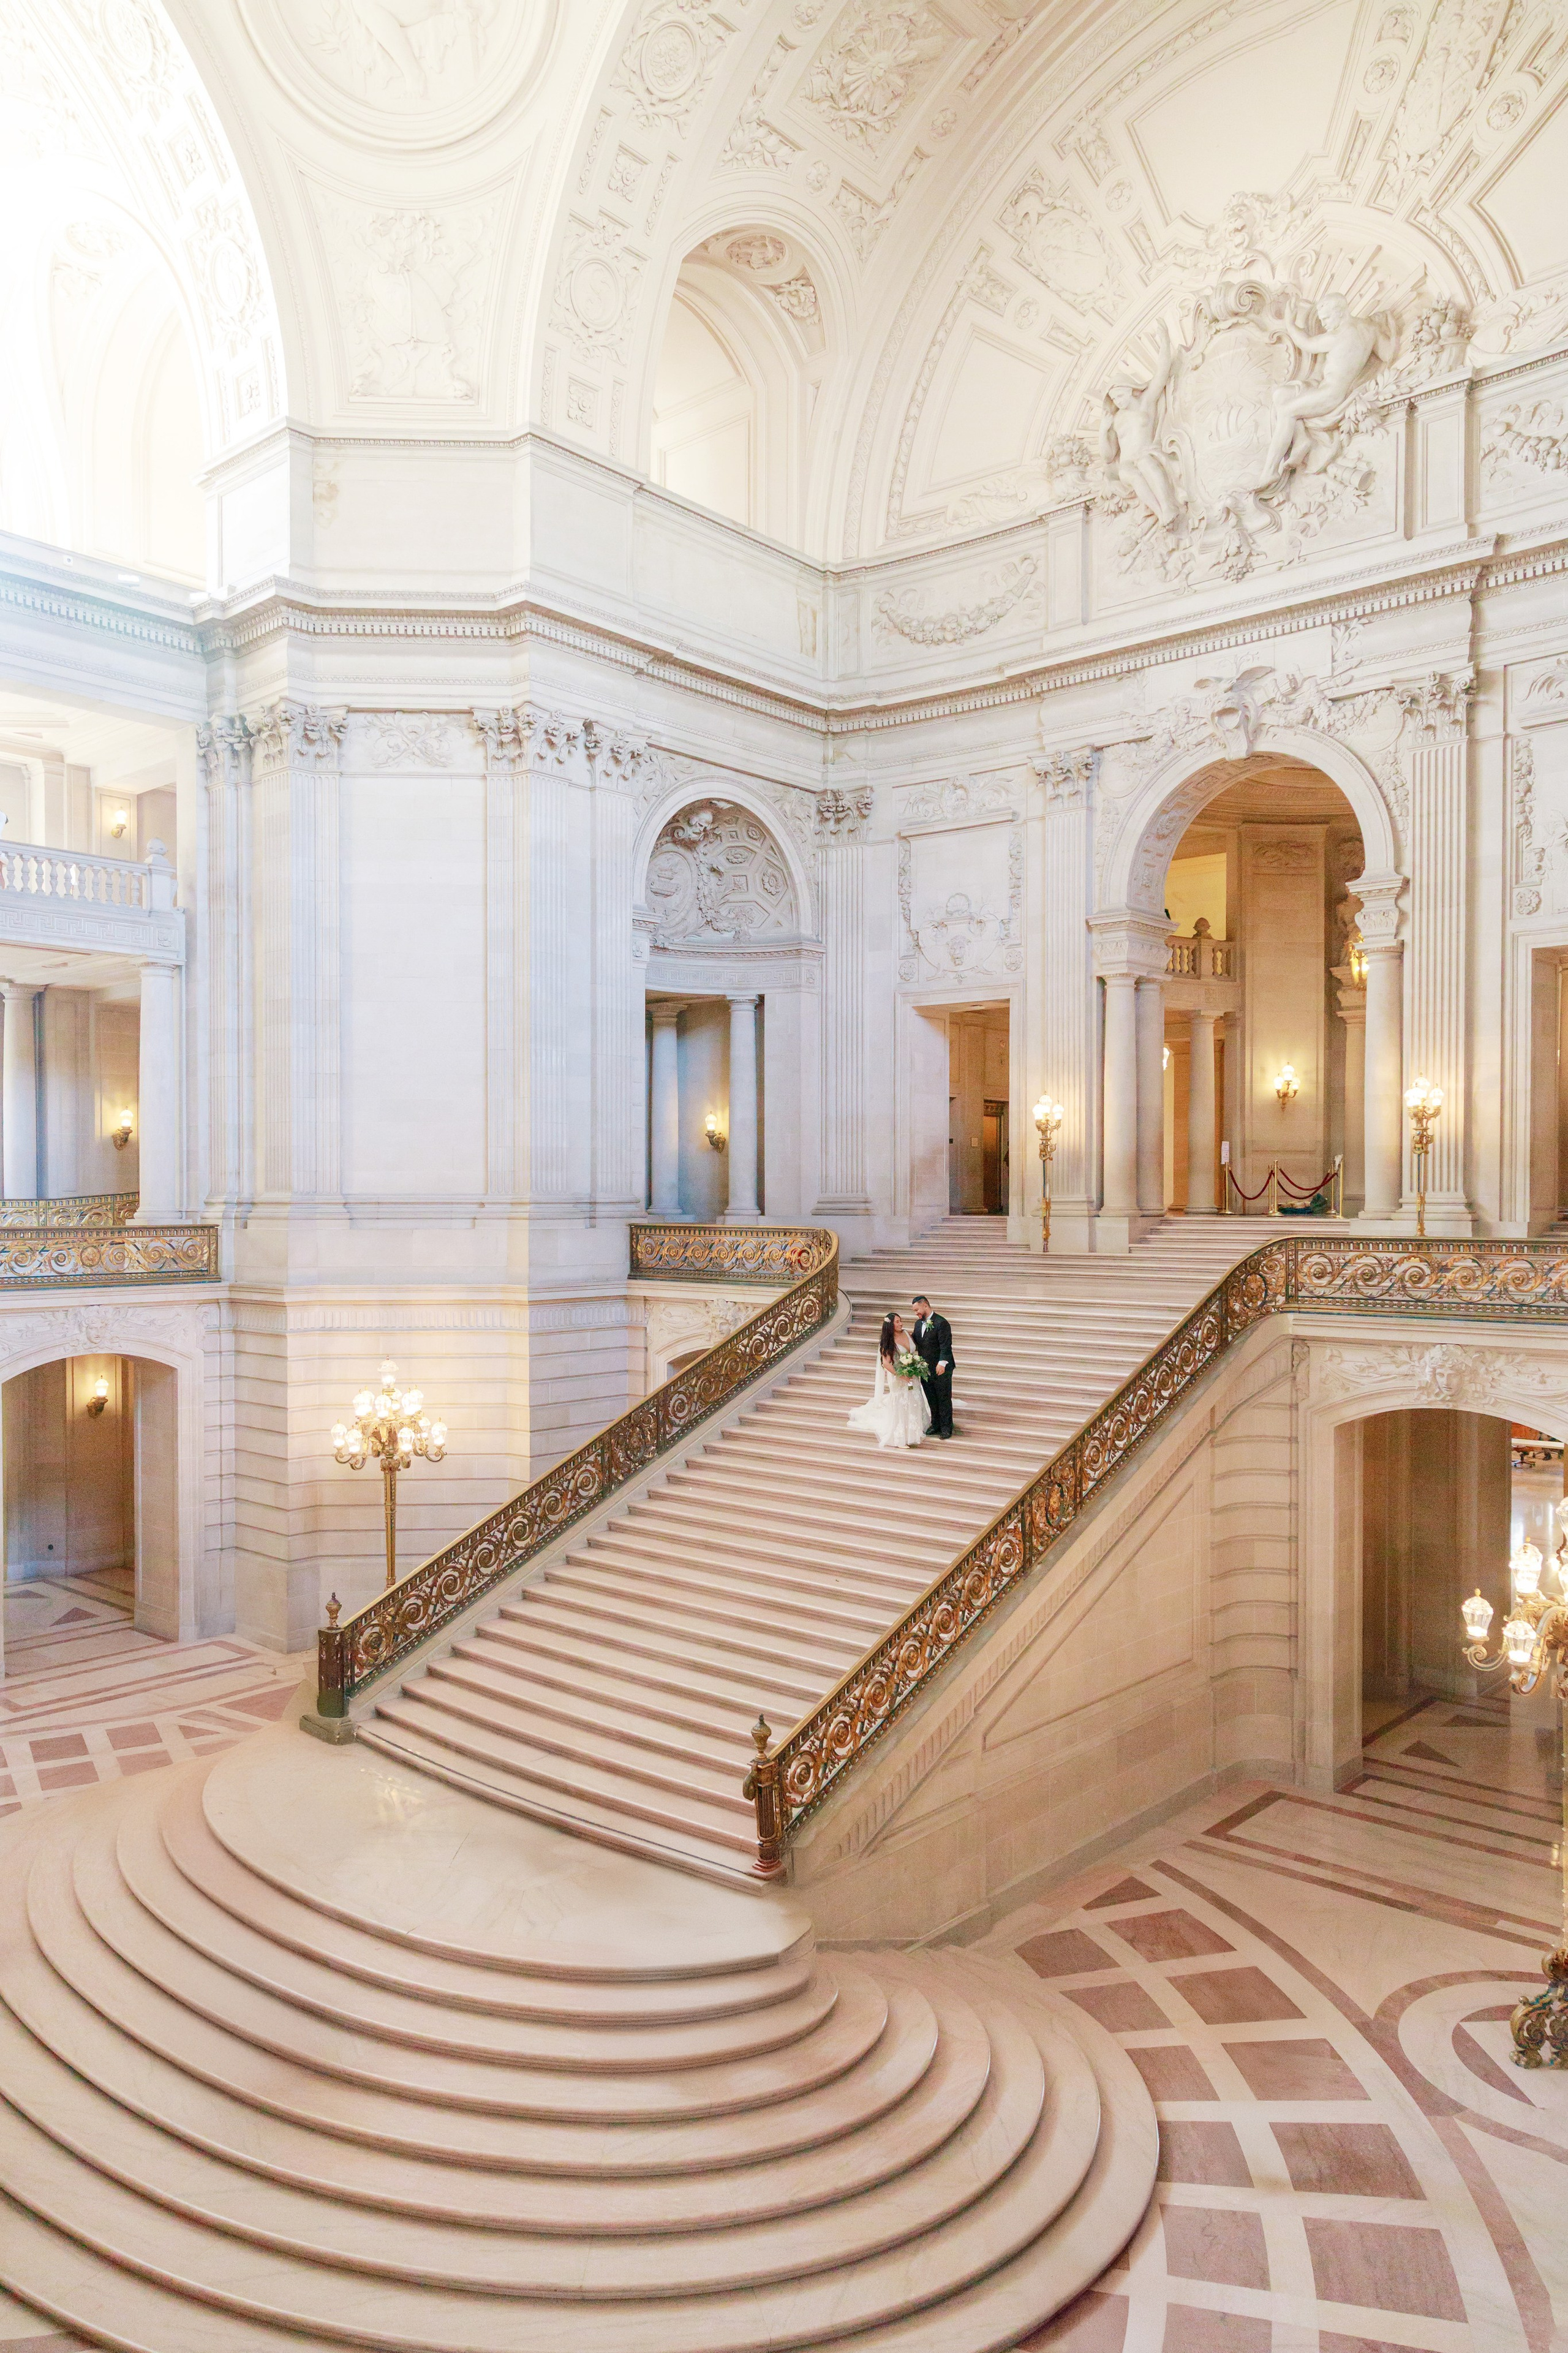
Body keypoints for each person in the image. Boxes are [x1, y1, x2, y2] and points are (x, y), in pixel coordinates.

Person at [847, 1312, 931, 1451]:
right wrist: (901, 1375)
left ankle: (915, 1431)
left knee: (915, 1399)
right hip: (898, 1377)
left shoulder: (907, 1334)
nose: (901, 1324)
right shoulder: (888, 1342)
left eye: (901, 1321)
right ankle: (899, 1437)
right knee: (901, 1403)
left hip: (913, 1374)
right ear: (890, 1325)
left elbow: (914, 1352)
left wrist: (916, 1366)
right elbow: (886, 1363)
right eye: (897, 1322)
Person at [910, 1294, 955, 1440]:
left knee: (943, 1398)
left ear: (925, 1305)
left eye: (917, 1310)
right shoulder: (918, 1324)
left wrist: (942, 1363)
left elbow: (946, 1346)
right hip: (925, 1369)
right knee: (931, 1397)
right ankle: (935, 1424)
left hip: (941, 1368)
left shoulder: (941, 1323)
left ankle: (947, 1427)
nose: (916, 1313)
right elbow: (917, 1342)